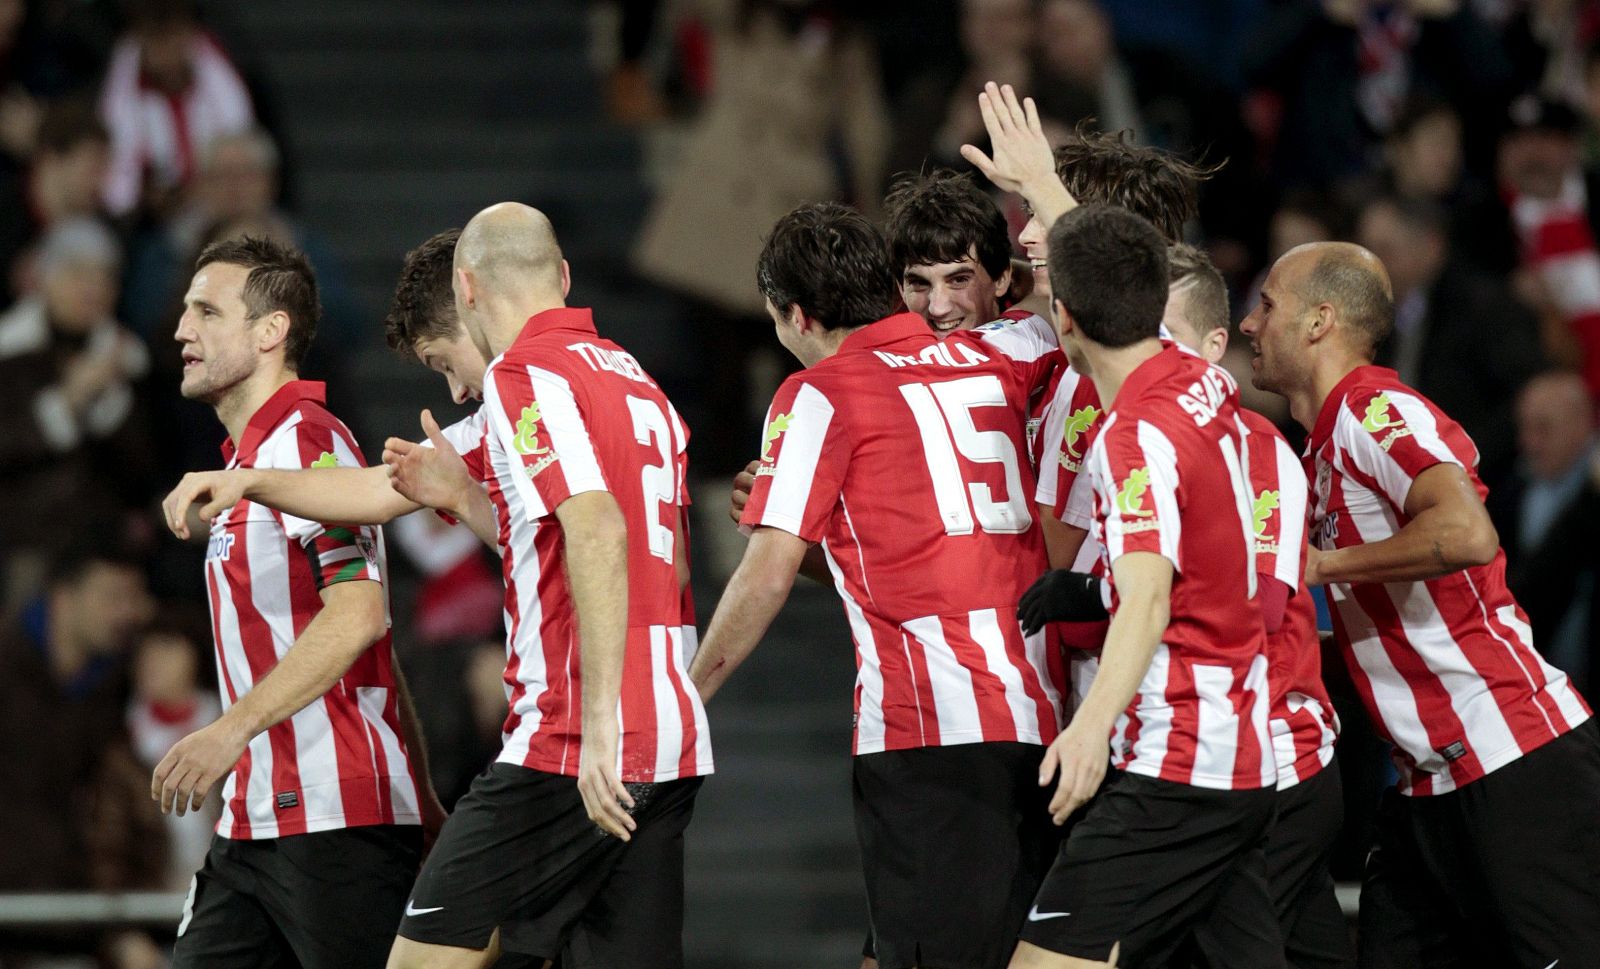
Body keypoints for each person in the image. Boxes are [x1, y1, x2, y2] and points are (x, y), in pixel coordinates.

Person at [692, 201, 1063, 969]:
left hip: (931, 731)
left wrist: (683, 698)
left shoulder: (820, 393)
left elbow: (764, 574)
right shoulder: (1009, 349)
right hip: (1049, 718)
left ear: (794, 315)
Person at [1239, 240, 1600, 968]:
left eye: (1267, 304)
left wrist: (1318, 564)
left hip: (1512, 759)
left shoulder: (1376, 411)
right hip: (1423, 785)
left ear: (1320, 321)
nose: (1250, 323)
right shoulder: (1319, 448)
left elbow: (1466, 531)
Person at [385, 203, 711, 968]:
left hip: (571, 742)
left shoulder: (521, 374)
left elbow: (595, 527)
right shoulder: (639, 382)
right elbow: (671, 565)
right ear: (562, 275)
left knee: (426, 958)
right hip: (668, 741)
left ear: (466, 288)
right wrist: (466, 499)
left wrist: (598, 726)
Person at [1034, 244, 1346, 969]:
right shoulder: (1192, 402)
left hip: (1241, 746)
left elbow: (1253, 606)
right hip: (1224, 754)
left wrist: (1093, 626)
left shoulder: (1209, 436)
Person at [156, 235, 442, 969]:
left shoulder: (309, 446)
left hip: (333, 816)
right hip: (254, 822)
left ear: (270, 331)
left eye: (206, 311)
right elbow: (374, 648)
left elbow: (359, 614)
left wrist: (230, 730)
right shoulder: (247, 465)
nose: (182, 329)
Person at [1356, 193, 1545, 488]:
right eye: (1366, 251)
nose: (1371, 265)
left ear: (1431, 246)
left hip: (1481, 482)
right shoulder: (1375, 314)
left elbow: (1524, 397)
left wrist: (1456, 459)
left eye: (1385, 250)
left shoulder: (1486, 308)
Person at [1491, 371, 1600, 694]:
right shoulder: (1512, 493)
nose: (1529, 443)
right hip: (1538, 675)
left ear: (1583, 422)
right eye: (1523, 428)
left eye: (1544, 428)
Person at [882, 169, 1017, 337]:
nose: (937, 308)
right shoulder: (882, 353)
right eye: (919, 283)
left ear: (1001, 279)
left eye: (959, 280)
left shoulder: (1042, 345)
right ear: (901, 288)